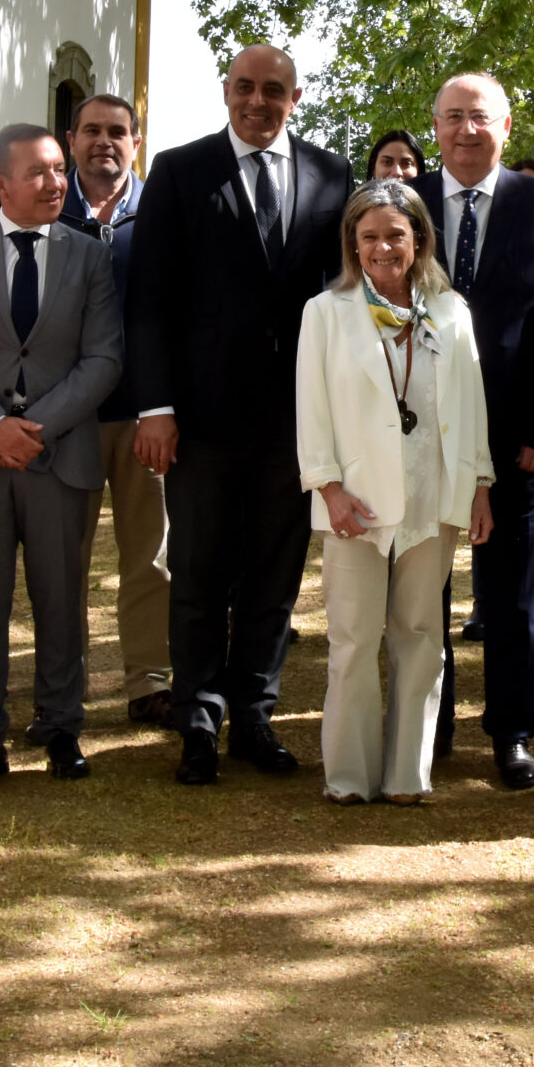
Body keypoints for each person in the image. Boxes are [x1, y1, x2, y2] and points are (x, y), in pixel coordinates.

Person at [128, 45, 352, 785]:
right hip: (199, 419)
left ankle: (254, 713)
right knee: (197, 571)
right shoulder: (179, 169)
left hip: (294, 421)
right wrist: (155, 405)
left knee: (273, 576)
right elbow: (150, 299)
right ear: (226, 91)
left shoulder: (331, 174)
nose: (258, 101)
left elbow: (341, 299)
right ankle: (197, 717)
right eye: (245, 87)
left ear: (296, 95)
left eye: (274, 89)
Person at [0, 125, 124, 793]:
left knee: (60, 597)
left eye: (59, 170)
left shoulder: (89, 254)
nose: (55, 182)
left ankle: (61, 726)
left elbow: (104, 357)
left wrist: (33, 427)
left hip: (58, 454)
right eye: (38, 172)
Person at [410, 73, 534, 787]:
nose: (464, 130)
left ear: (505, 126)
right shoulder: (405, 203)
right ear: (435, 126)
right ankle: (432, 724)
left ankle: (511, 731)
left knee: (512, 593)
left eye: (478, 117)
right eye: (451, 117)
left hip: (519, 437)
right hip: (417, 433)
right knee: (424, 589)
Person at [298, 181, 495, 803]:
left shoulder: (452, 311)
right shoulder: (325, 312)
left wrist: (479, 487)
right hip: (354, 501)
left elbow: (472, 407)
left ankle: (408, 775)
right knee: (353, 641)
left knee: (421, 637)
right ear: (353, 245)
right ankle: (349, 777)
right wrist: (327, 488)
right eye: (370, 236)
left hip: (432, 496)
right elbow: (312, 410)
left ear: (419, 240)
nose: (383, 247)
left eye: (396, 235)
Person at [57, 98, 173, 724]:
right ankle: (61, 686)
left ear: (135, 141)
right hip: (66, 416)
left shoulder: (160, 211)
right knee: (63, 562)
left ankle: (149, 683)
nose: (105, 142)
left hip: (142, 414)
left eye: (117, 133)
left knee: (150, 556)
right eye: (93, 131)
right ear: (71, 139)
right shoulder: (48, 209)